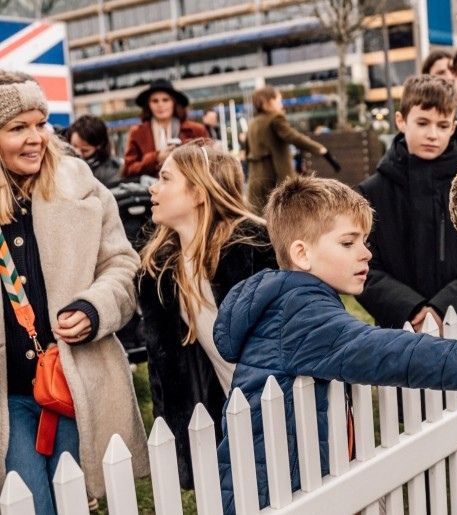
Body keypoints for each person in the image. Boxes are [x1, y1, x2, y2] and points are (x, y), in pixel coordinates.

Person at [214, 174, 457, 512]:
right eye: (347, 242)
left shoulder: (292, 302)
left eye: (364, 241)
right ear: (302, 254)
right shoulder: (299, 313)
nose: (366, 253)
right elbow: (391, 351)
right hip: (273, 495)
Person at [0, 71, 147, 514]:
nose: (36, 138)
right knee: (30, 503)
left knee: (75, 501)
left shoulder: (79, 184)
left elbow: (123, 266)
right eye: (17, 128)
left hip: (74, 382)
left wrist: (94, 307)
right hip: (9, 396)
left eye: (40, 123)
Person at [137, 140, 276, 489]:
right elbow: (166, 370)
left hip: (283, 406)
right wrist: (182, 454)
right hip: (230, 414)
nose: (154, 188)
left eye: (166, 179)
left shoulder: (255, 247)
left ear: (198, 192)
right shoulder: (163, 270)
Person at [357, 74, 457, 330]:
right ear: (401, 121)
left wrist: (445, 306)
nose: (432, 134)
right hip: (399, 332)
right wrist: (410, 308)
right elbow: (362, 264)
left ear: (453, 127)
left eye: (442, 125)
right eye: (422, 123)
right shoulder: (372, 192)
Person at [246, 85, 338, 214]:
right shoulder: (275, 118)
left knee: (260, 216)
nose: (281, 103)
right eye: (279, 99)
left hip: (255, 178)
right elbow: (294, 137)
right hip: (275, 176)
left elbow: (247, 150)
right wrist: (320, 149)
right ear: (270, 101)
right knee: (286, 216)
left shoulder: (253, 123)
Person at [122, 79, 209, 179]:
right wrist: (156, 158)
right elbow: (128, 170)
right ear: (148, 105)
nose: (160, 105)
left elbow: (208, 162)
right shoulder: (136, 132)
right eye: (155, 101)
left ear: (174, 103)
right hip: (149, 191)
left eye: (165, 100)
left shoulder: (196, 130)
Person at [67, 114, 122, 188]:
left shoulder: (111, 172)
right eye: (74, 146)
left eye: (85, 150)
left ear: (99, 147)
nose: (77, 152)